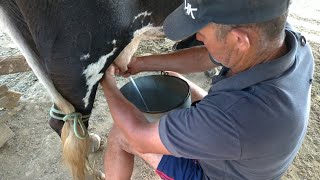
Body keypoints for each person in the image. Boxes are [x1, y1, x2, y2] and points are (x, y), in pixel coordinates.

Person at [100, 0, 314, 179]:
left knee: (121, 134)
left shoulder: (236, 115)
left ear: (239, 39)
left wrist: (106, 80)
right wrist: (141, 63)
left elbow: (138, 135)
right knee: (174, 79)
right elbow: (208, 56)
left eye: (201, 32)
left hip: (213, 172)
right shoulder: (283, 40)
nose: (197, 38)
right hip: (248, 152)